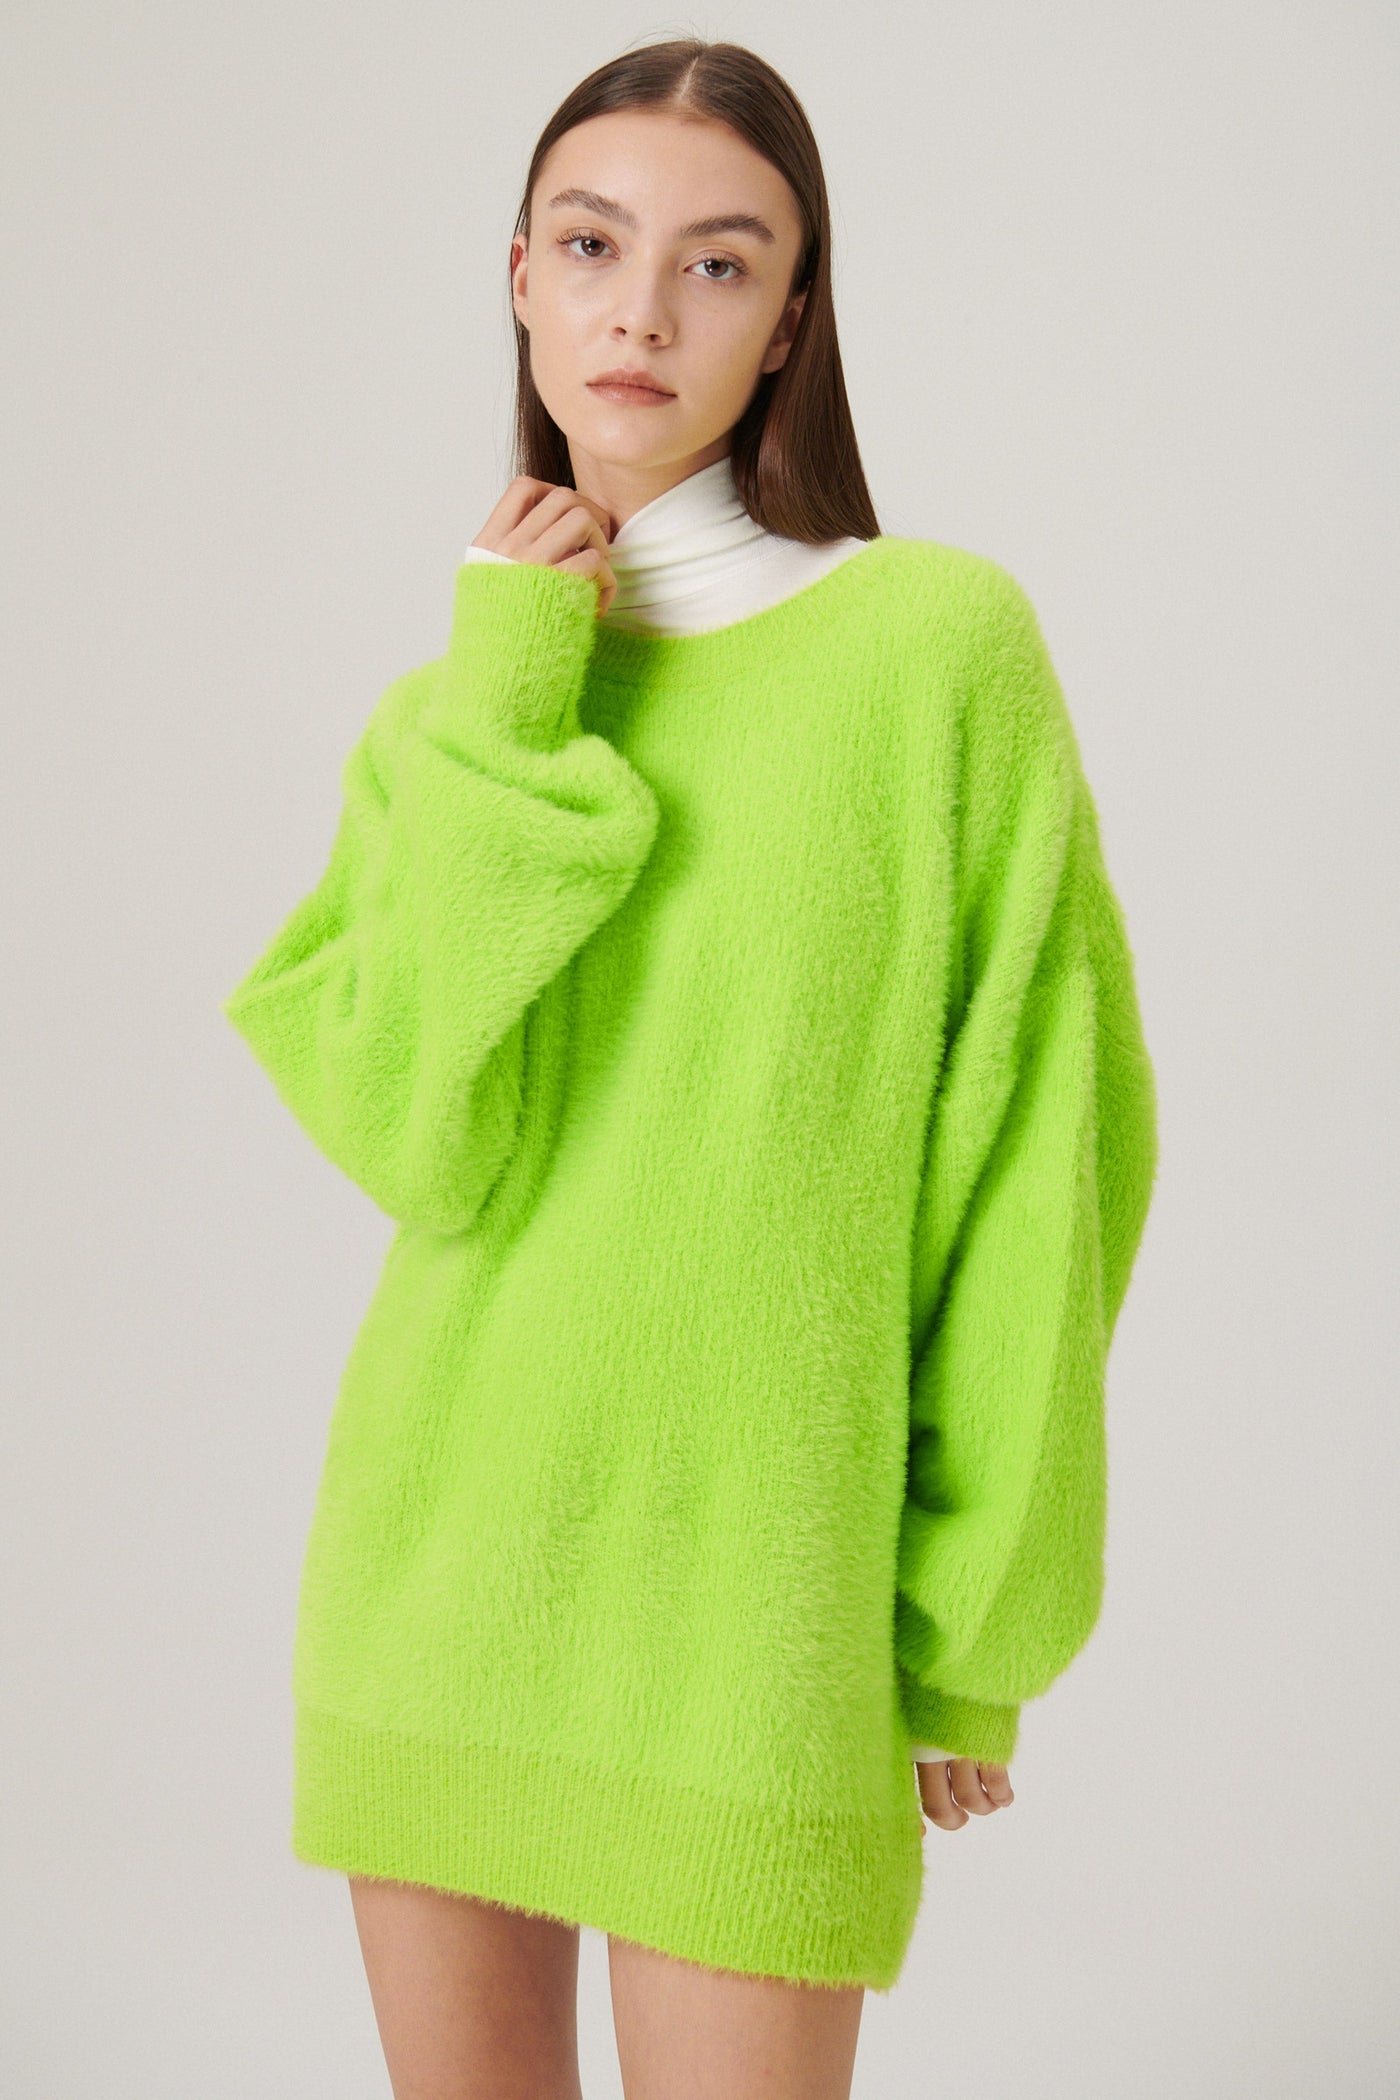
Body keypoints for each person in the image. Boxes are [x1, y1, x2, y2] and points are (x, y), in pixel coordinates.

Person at [220, 36, 1159, 2100]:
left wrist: (969, 1629)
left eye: (718, 263)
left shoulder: (934, 651)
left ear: (792, 320)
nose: (640, 311)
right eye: (591, 246)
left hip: (759, 1610)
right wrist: (510, 691)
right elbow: (418, 1132)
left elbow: (1040, 1155)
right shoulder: (458, 713)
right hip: (442, 1566)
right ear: (520, 279)